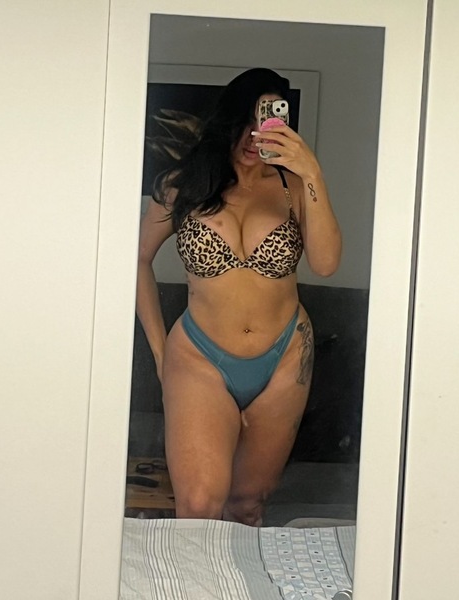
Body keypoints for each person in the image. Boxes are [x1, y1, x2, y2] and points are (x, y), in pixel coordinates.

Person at [136, 68, 341, 526]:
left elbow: (326, 263)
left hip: (285, 357)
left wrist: (311, 170)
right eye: (245, 121)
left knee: (248, 506)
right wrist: (160, 353)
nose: (253, 135)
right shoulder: (181, 185)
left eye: (265, 121)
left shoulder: (293, 187)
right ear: (227, 120)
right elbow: (138, 261)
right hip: (199, 356)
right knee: (199, 506)